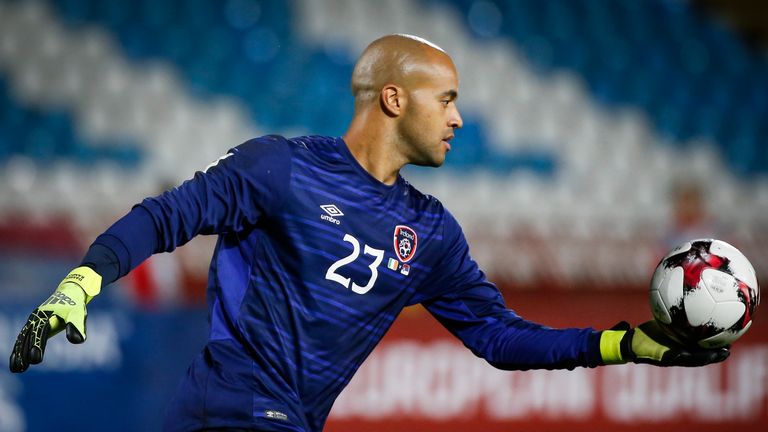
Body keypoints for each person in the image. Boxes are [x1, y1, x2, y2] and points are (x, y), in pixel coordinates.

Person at [9, 34, 729, 432]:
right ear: (393, 97)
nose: (457, 119)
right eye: (446, 99)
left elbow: (501, 340)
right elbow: (167, 216)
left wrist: (627, 343)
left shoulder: (430, 233)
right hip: (231, 406)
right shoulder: (281, 168)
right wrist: (81, 284)